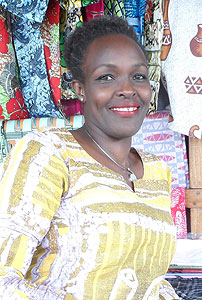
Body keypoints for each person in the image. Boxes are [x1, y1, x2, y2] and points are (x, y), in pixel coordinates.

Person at [0, 16, 179, 300]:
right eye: (106, 77)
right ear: (80, 88)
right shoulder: (48, 153)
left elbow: (153, 283)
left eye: (139, 76)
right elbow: (3, 280)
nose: (127, 89)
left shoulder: (157, 171)